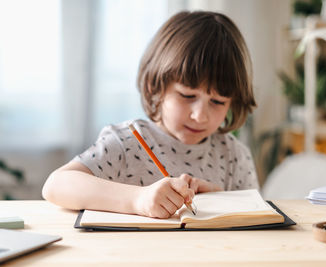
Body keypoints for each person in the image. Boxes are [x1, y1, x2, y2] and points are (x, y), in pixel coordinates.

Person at [42, 10, 258, 219]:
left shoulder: (234, 156)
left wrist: (223, 202)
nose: (200, 116)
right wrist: (138, 199)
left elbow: (257, 218)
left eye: (218, 102)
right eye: (187, 95)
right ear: (156, 85)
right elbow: (56, 185)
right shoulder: (126, 142)